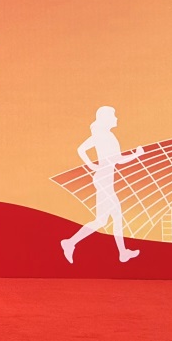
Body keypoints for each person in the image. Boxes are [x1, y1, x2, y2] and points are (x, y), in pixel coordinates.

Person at [60, 106, 146, 264]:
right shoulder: (104, 136)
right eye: (114, 115)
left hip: (105, 179)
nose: (116, 118)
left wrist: (92, 165)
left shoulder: (104, 135)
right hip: (103, 180)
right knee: (116, 215)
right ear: (106, 119)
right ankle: (122, 253)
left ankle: (70, 242)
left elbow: (87, 151)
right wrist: (137, 154)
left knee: (102, 221)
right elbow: (114, 158)